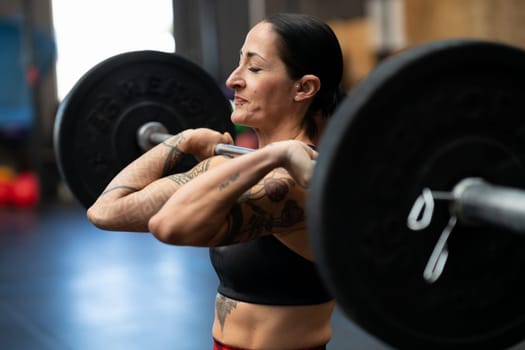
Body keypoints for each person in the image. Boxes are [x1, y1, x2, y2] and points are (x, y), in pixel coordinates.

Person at [87, 12, 343, 350]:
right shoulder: (237, 167)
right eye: (239, 64)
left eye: (254, 68)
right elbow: (106, 211)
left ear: (304, 87)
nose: (233, 79)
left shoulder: (298, 185)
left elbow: (168, 225)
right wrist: (184, 140)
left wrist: (271, 156)